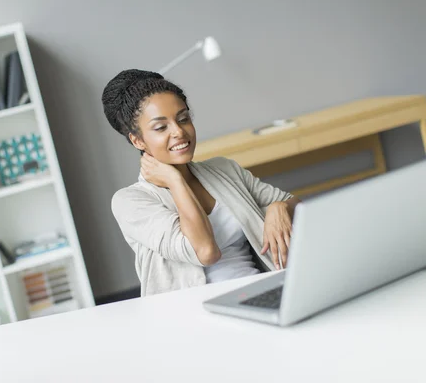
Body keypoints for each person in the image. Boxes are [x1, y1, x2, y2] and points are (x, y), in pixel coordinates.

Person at [102, 69, 300, 296]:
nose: (178, 131)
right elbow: (206, 252)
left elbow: (294, 203)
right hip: (196, 314)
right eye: (161, 127)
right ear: (138, 140)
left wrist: (279, 207)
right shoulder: (130, 201)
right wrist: (175, 181)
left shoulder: (223, 169)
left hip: (263, 289)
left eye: (183, 119)